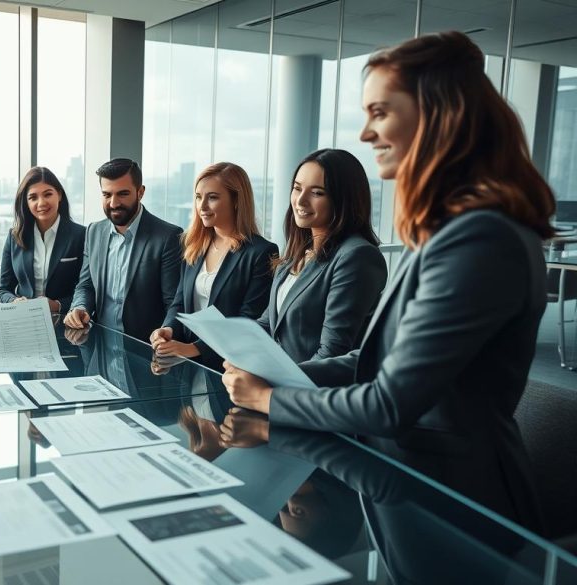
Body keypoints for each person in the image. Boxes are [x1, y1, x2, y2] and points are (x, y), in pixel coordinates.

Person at [221, 31, 555, 530]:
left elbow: (388, 403)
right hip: (409, 486)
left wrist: (267, 399)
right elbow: (375, 360)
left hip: (458, 505)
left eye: (379, 112)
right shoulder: (450, 231)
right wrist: (280, 380)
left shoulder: (481, 238)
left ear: (438, 115)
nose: (366, 134)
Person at [257, 149, 387, 363]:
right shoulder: (299, 252)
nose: (300, 201)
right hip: (279, 376)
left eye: (317, 193)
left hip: (310, 383)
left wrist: (273, 381)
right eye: (297, 188)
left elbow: (332, 351)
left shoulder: (357, 256)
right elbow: (269, 324)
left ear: (344, 199)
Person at [150, 162, 278, 370]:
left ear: (236, 201)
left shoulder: (261, 252)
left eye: (212, 197)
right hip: (188, 365)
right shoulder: (194, 246)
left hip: (229, 368)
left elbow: (249, 321)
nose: (202, 207)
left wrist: (194, 348)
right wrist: (168, 329)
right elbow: (180, 303)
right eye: (198, 197)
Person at [63, 158, 182, 342]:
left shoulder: (168, 237)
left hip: (143, 349)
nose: (113, 203)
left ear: (140, 192)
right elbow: (86, 285)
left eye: (123, 194)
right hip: (100, 345)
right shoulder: (94, 231)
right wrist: (79, 307)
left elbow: (174, 302)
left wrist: (167, 330)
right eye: (107, 195)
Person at [0, 166, 85, 315]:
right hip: (24, 318)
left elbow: (87, 289)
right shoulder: (15, 236)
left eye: (48, 194)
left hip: (66, 319)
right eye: (33, 197)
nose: (41, 203)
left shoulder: (81, 235)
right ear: (26, 202)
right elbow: (3, 289)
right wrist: (14, 301)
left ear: (59, 195)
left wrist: (57, 305)